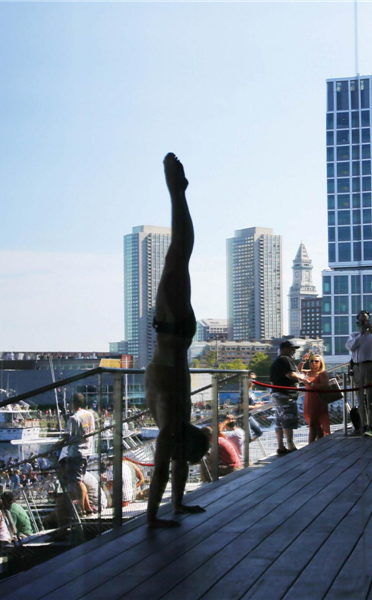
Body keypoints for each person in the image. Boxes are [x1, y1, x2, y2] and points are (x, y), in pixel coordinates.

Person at [145, 153, 212, 528]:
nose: (184, 463)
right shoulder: (177, 423)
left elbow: (163, 470)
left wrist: (159, 515)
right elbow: (167, 469)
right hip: (174, 335)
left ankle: (177, 193)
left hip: (172, 333)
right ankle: (176, 193)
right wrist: (164, 513)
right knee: (180, 252)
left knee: (180, 253)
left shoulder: (174, 427)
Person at [346, 311, 372, 436]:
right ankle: (362, 425)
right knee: (360, 398)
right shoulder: (354, 335)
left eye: (366, 319)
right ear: (357, 322)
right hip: (357, 367)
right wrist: (361, 335)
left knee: (370, 397)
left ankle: (371, 426)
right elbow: (350, 347)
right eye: (362, 320)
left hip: (369, 366)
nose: (364, 322)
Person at [60, 393, 97, 514]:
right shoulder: (89, 414)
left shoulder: (74, 418)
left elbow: (66, 436)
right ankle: (87, 507)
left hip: (76, 452)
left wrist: (56, 445)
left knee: (77, 481)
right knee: (79, 479)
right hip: (87, 450)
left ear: (73, 403)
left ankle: (81, 509)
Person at [270, 340, 307, 453]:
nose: (294, 351)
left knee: (280, 421)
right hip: (286, 395)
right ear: (285, 348)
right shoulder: (285, 359)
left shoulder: (278, 360)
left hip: (277, 394)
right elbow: (290, 374)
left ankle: (281, 447)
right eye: (292, 349)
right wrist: (302, 377)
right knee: (288, 419)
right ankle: (291, 446)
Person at [302, 353, 331, 443]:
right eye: (311, 361)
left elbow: (325, 386)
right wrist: (303, 361)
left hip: (318, 400)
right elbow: (298, 371)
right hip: (309, 399)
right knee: (316, 424)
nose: (313, 363)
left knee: (314, 423)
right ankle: (320, 443)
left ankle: (310, 444)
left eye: (316, 361)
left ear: (321, 362)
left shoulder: (322, 373)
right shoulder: (309, 372)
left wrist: (311, 384)